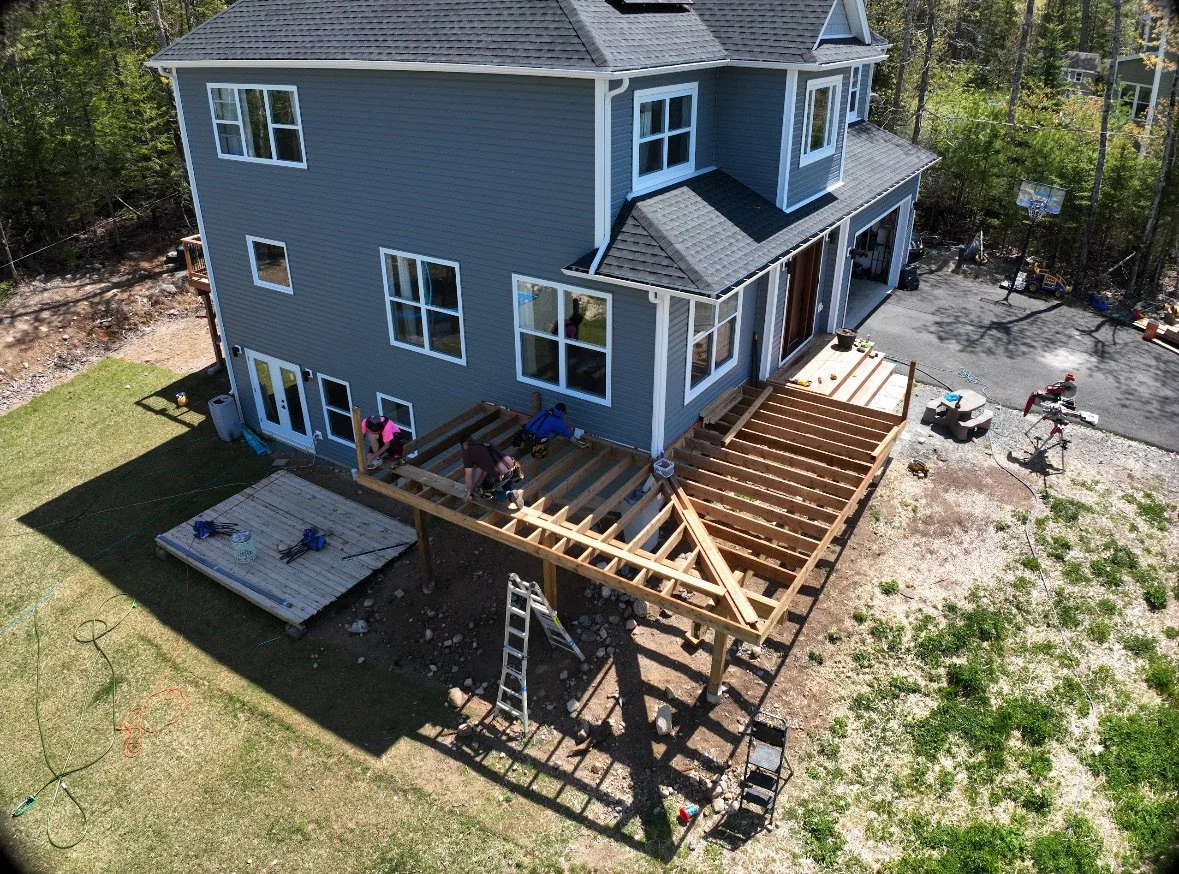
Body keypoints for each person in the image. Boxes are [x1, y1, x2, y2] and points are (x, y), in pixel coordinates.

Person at [460, 433, 525, 509]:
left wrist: (468, 492)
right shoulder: (484, 443)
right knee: (499, 479)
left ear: (464, 444)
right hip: (514, 468)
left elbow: (468, 477)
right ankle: (512, 492)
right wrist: (473, 488)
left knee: (484, 493)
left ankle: (509, 495)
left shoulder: (468, 452)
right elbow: (480, 471)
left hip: (501, 474)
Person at [515, 403, 586, 458]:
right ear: (561, 411)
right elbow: (571, 437)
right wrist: (580, 445)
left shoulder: (543, 411)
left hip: (524, 433)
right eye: (564, 413)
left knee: (548, 427)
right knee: (558, 432)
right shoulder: (558, 422)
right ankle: (539, 448)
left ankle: (524, 445)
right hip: (535, 440)